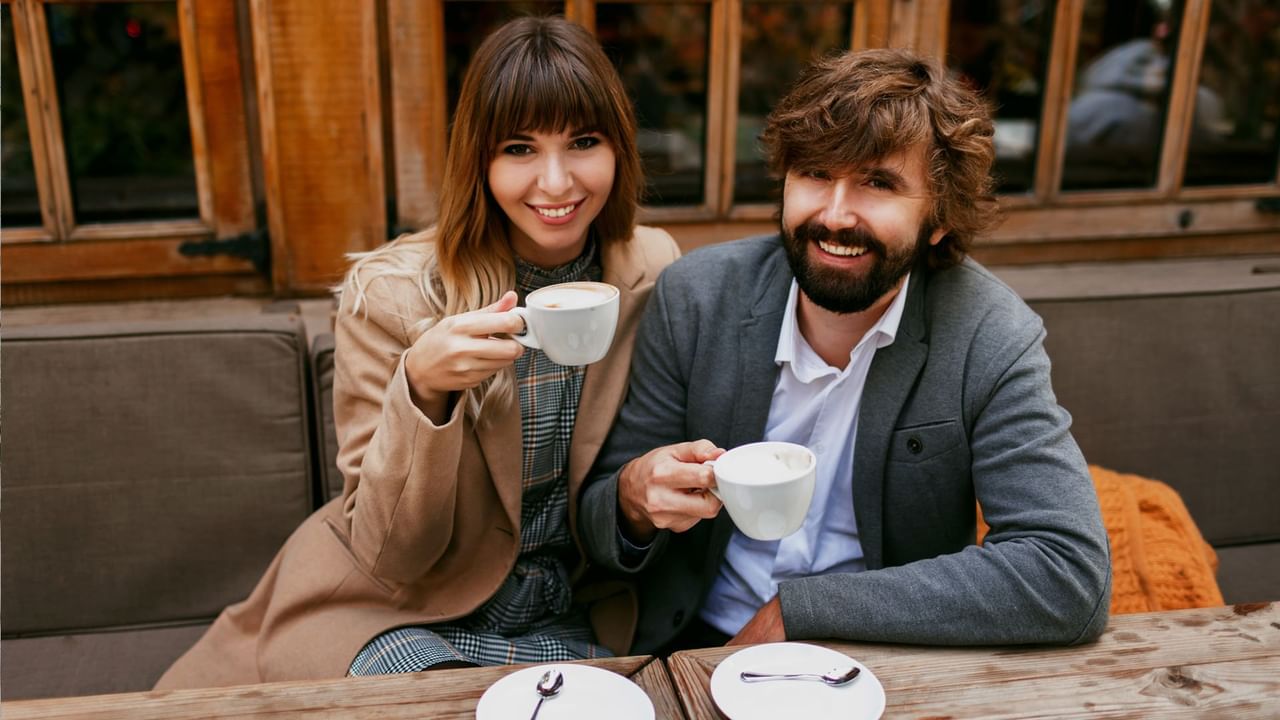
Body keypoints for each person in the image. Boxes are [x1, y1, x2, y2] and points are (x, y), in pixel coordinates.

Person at [156, 15, 679, 687]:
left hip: (562, 611)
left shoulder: (647, 268)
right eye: (519, 148)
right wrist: (424, 391)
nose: (556, 182)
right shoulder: (394, 294)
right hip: (392, 608)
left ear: (619, 148)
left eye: (583, 141)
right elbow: (389, 552)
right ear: (480, 162)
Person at [578, 48, 1111, 654]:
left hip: (878, 654)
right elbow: (599, 527)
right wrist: (634, 498)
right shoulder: (698, 297)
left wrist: (801, 612)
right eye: (814, 175)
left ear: (940, 216)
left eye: (878, 183)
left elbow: (1068, 572)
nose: (834, 215)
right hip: (694, 645)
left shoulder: (988, 333)